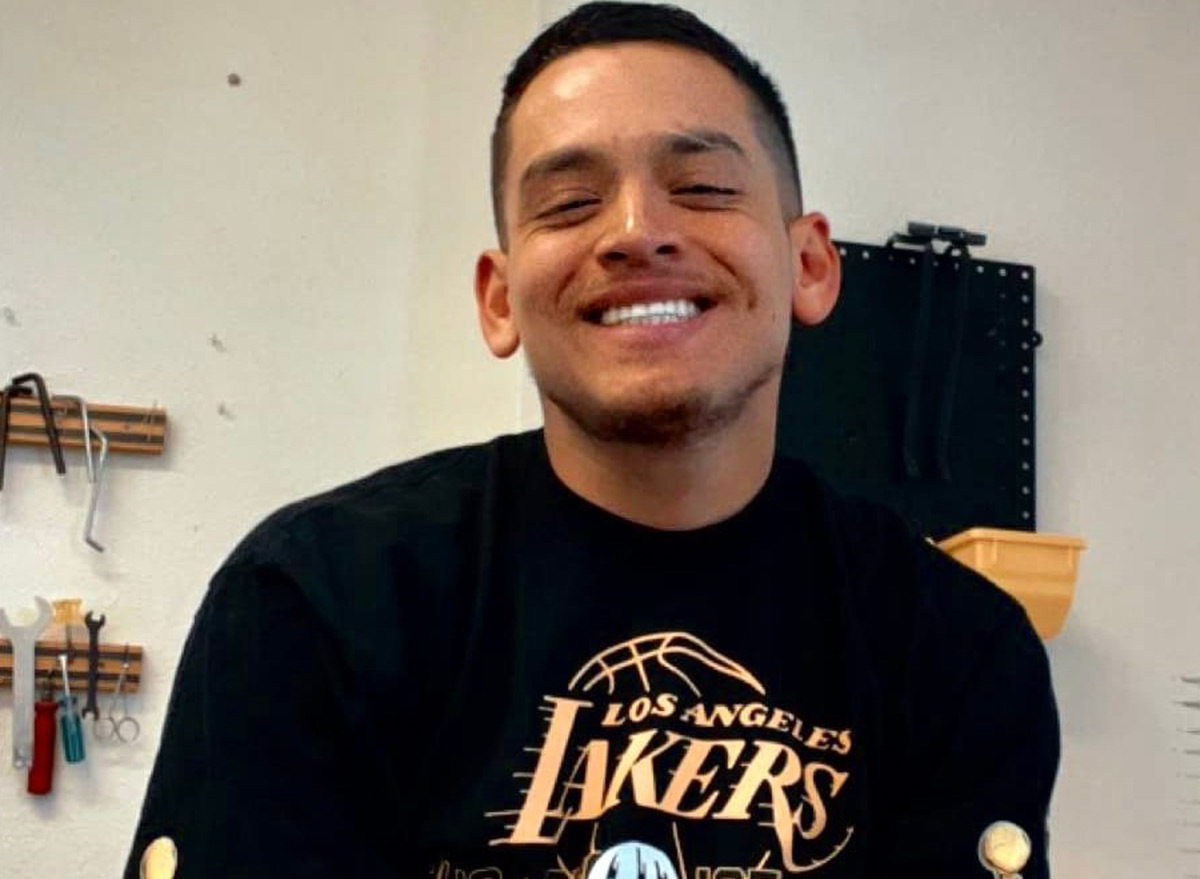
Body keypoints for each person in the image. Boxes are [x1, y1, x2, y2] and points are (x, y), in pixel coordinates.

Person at [124, 3, 1059, 878]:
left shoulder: (954, 646)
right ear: (499, 299)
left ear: (810, 265)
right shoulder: (312, 601)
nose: (637, 232)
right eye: (570, 203)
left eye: (702, 187)